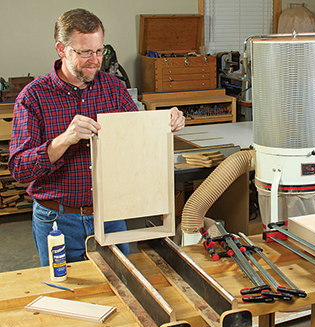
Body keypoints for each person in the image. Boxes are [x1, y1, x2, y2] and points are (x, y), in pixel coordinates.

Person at [8, 8, 185, 266]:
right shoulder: (33, 97)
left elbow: (138, 141)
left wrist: (164, 122)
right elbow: (20, 169)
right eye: (85, 52)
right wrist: (64, 140)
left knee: (122, 289)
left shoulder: (113, 88)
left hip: (110, 214)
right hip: (57, 219)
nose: (94, 60)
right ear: (61, 49)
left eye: (99, 50)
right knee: (69, 292)